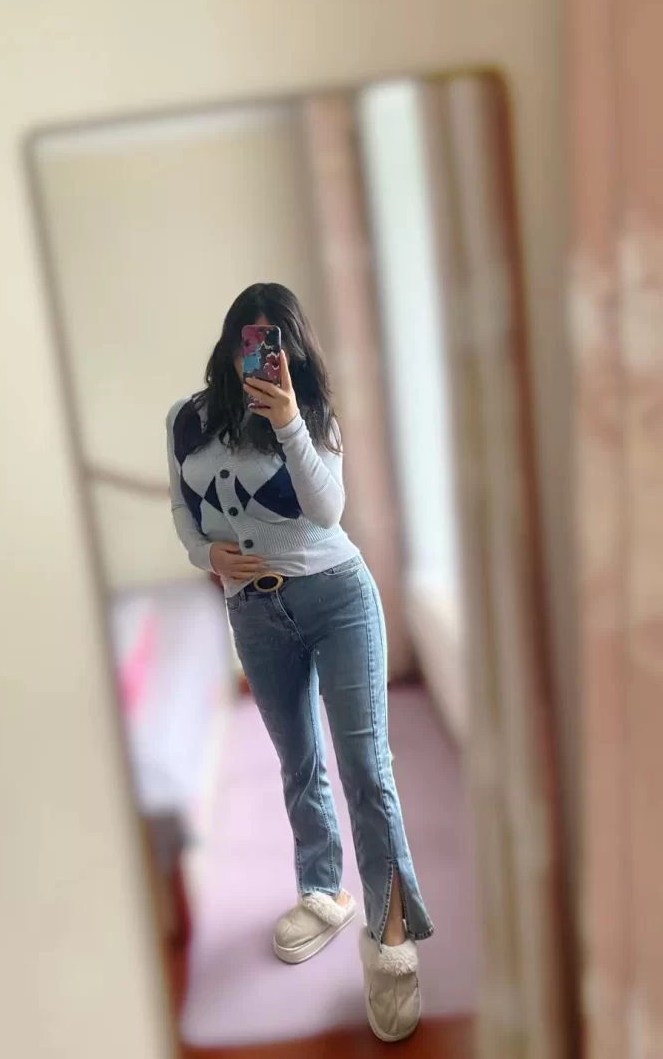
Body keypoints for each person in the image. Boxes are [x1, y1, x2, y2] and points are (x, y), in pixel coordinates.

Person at [166, 283, 432, 1043]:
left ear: (294, 350)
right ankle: (323, 890)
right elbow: (183, 512)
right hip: (254, 614)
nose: (260, 355)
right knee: (297, 762)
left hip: (337, 597)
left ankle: (390, 939)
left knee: (366, 768)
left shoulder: (312, 415)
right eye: (249, 341)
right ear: (230, 344)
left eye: (274, 342)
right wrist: (206, 557)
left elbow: (326, 511)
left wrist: (286, 419)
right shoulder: (187, 420)